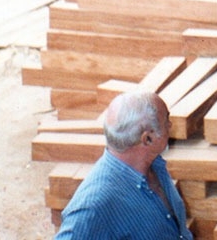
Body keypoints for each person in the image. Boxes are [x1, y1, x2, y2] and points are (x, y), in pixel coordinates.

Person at [54, 91, 193, 240]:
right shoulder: (93, 206)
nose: (170, 125)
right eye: (166, 122)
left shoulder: (154, 165)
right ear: (148, 139)